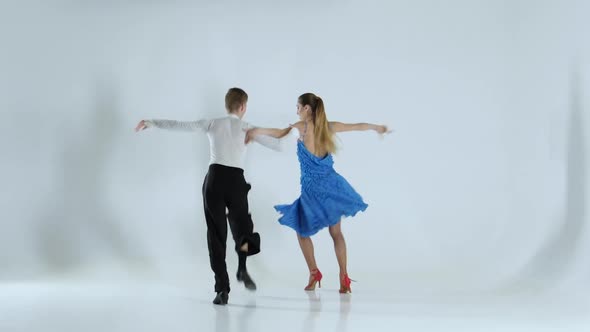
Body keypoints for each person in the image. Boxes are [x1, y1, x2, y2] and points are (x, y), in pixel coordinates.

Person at [135, 87, 281, 305]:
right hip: (236, 182)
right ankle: (241, 267)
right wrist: (296, 133)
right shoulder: (247, 128)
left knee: (216, 235)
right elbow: (277, 145)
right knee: (243, 230)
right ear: (242, 107)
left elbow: (180, 126)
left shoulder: (213, 123)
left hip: (214, 180)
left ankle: (222, 289)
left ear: (227, 105)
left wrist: (151, 122)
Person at [245, 92, 389, 293]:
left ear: (306, 109)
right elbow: (357, 126)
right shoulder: (329, 127)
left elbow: (278, 134)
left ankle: (314, 272)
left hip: (312, 190)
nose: (296, 110)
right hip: (332, 185)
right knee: (336, 233)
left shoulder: (301, 127)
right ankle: (344, 277)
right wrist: (378, 128)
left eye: (298, 107)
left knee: (302, 231)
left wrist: (254, 131)